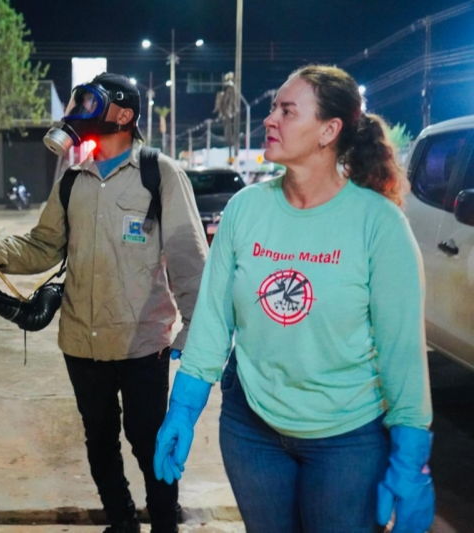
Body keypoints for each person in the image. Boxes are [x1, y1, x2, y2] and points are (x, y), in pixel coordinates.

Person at [153, 65, 434, 533]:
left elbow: (401, 352)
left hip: (348, 440)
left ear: (329, 130)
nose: (269, 119)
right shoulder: (246, 209)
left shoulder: (378, 224)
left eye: (287, 110)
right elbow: (212, 322)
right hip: (252, 430)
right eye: (271, 109)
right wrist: (183, 405)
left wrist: (411, 457)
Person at [0, 73, 208, 533]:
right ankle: (123, 521)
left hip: (142, 344)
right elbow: (43, 245)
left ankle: (165, 525)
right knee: (100, 440)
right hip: (81, 345)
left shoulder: (159, 174)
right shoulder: (73, 180)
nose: (78, 108)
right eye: (78, 99)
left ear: (124, 115)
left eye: (91, 101)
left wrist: (194, 331)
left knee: (149, 443)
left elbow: (190, 260)